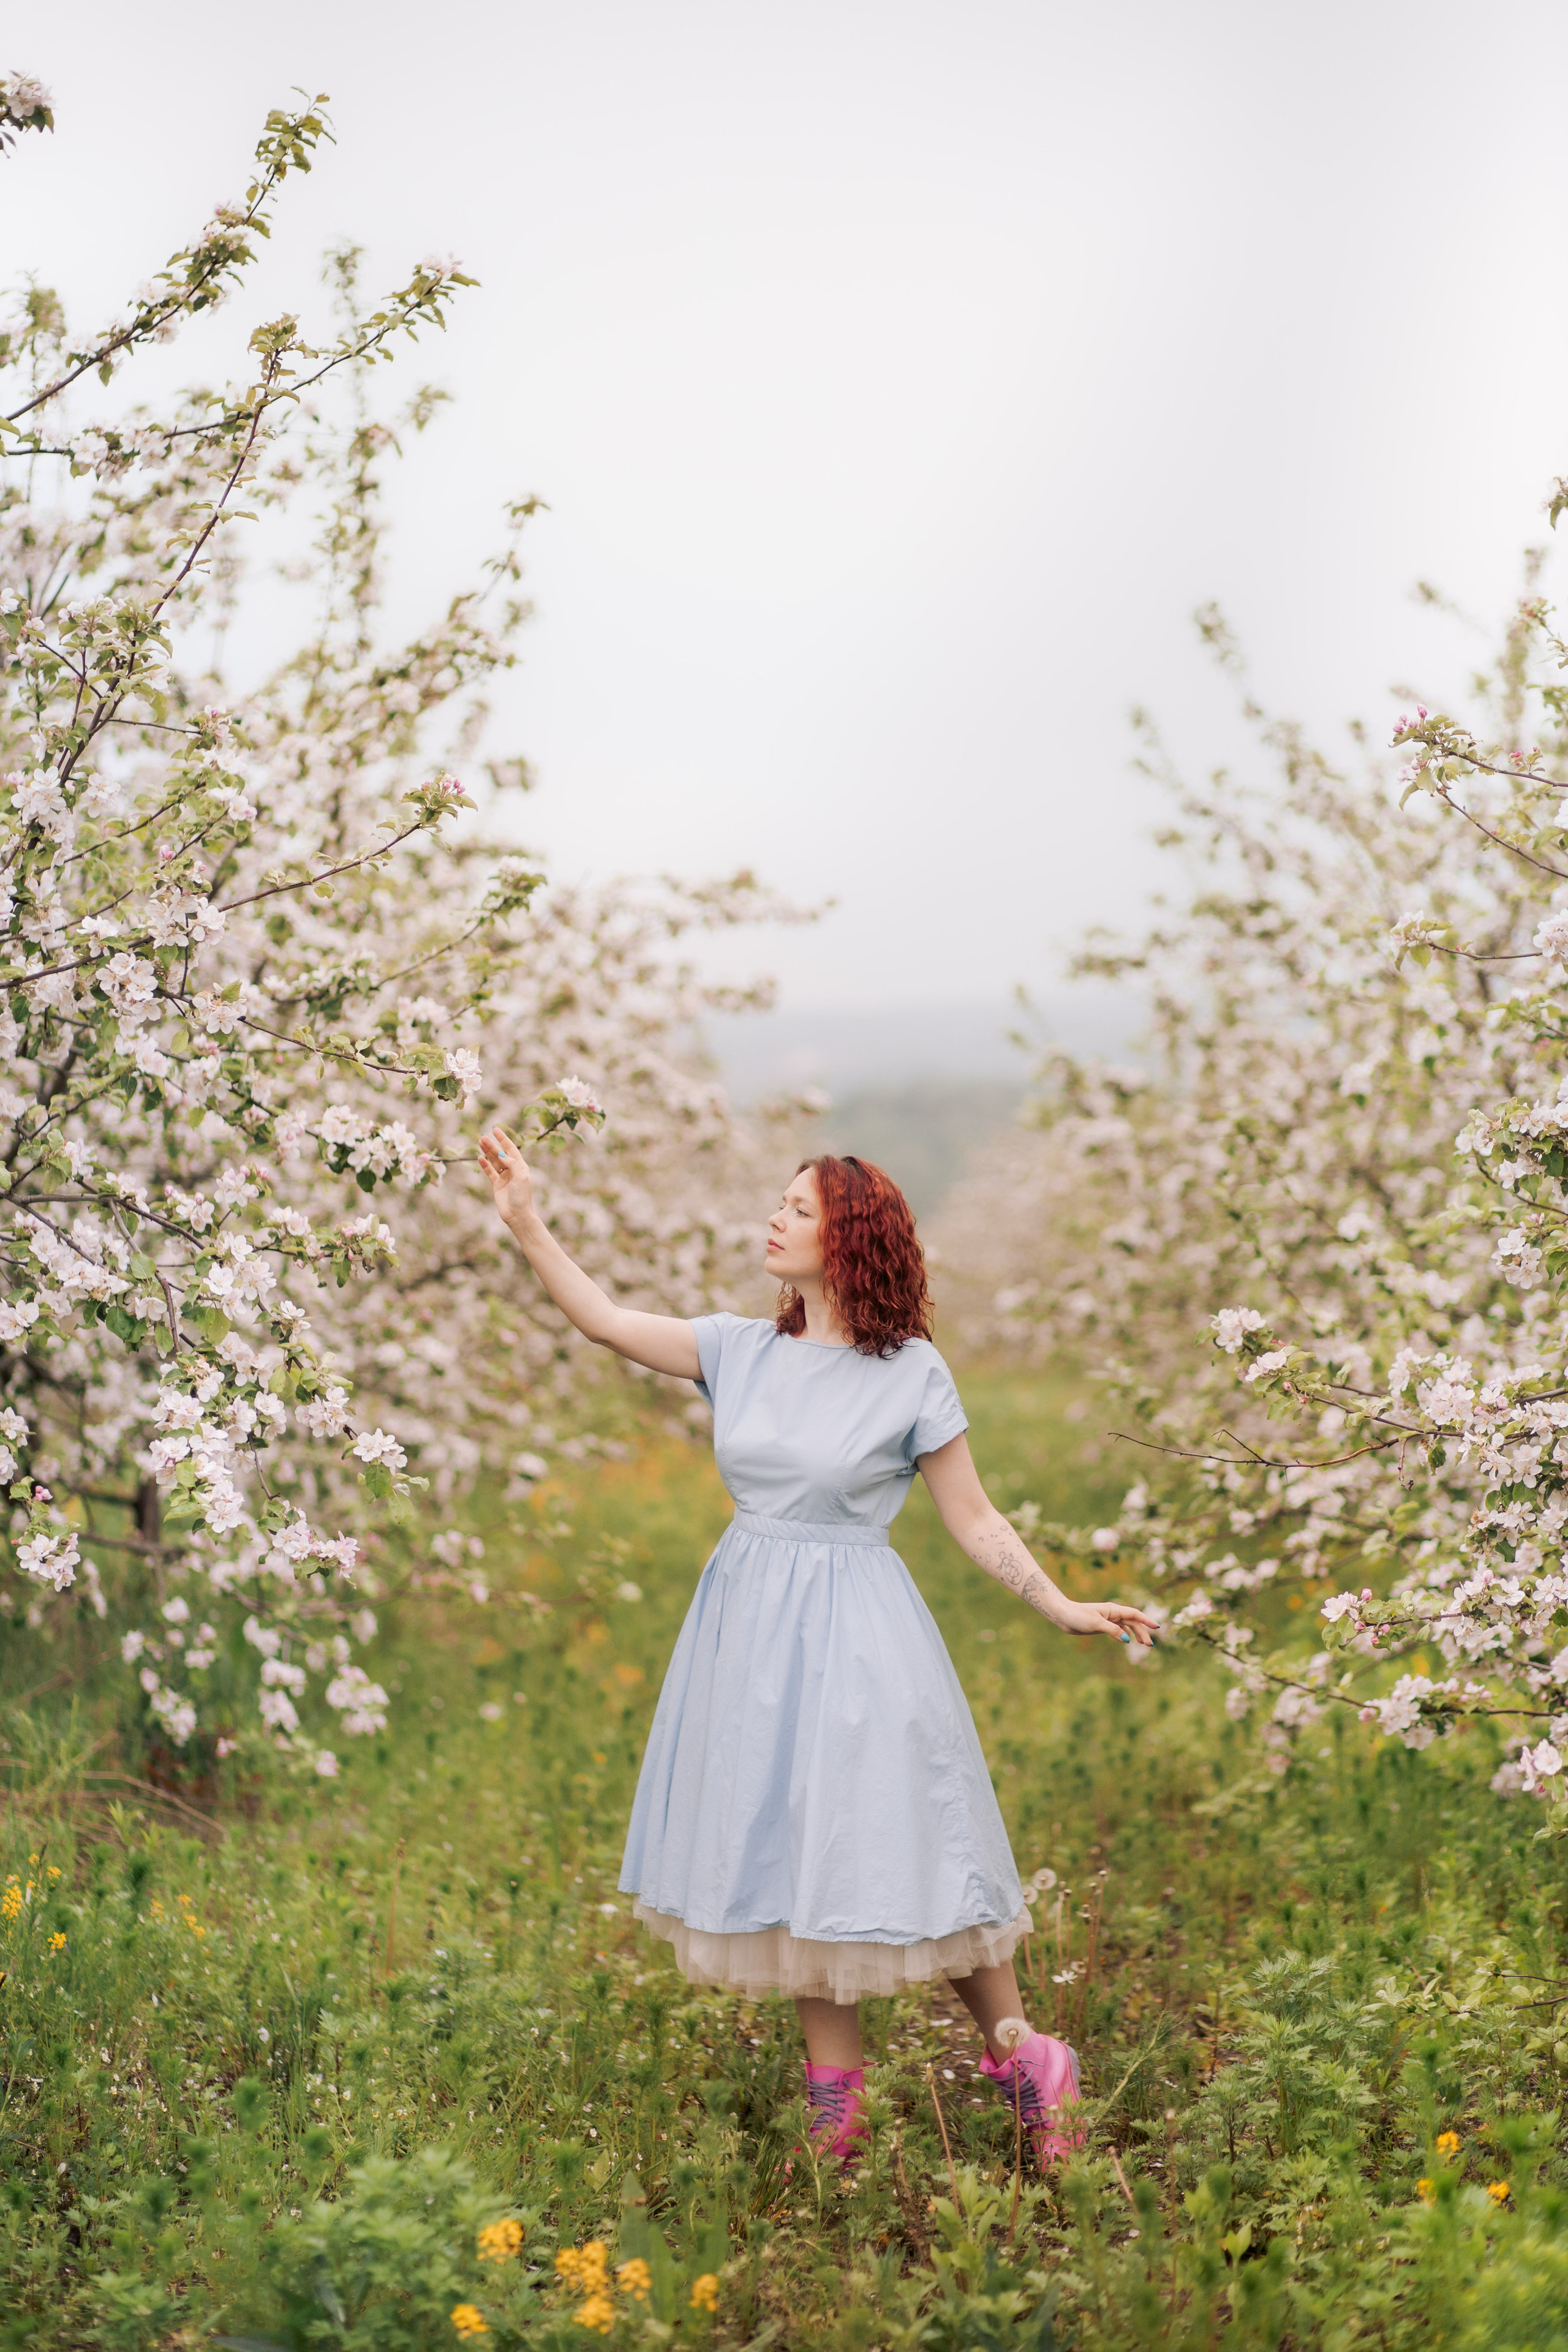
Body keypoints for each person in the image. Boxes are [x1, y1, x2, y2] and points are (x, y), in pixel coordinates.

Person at [477, 1134, 1158, 2165]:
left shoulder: (912, 1374)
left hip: (861, 1628)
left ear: (850, 1236)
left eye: (799, 1208)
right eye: (779, 1203)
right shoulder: (739, 1349)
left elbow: (973, 1518)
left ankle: (1024, 2056)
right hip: (747, 1627)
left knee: (911, 1832)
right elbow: (606, 1321)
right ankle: (836, 2114)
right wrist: (529, 1219)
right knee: (791, 1849)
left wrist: (1057, 1601)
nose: (776, 1218)